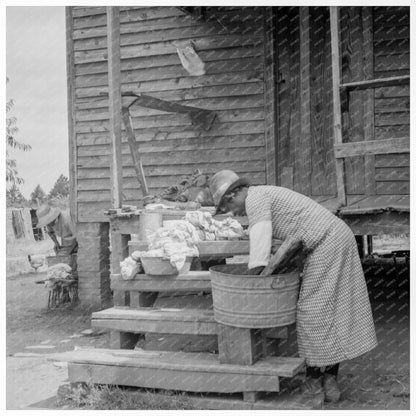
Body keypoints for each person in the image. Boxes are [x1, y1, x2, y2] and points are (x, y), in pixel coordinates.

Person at [209, 170, 377, 403]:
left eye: (230, 207)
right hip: (338, 237)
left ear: (233, 194)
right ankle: (329, 380)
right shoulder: (263, 194)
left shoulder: (255, 199)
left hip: (326, 243)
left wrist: (252, 279)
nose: (235, 213)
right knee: (333, 311)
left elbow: (260, 244)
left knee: (312, 312)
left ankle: (315, 383)